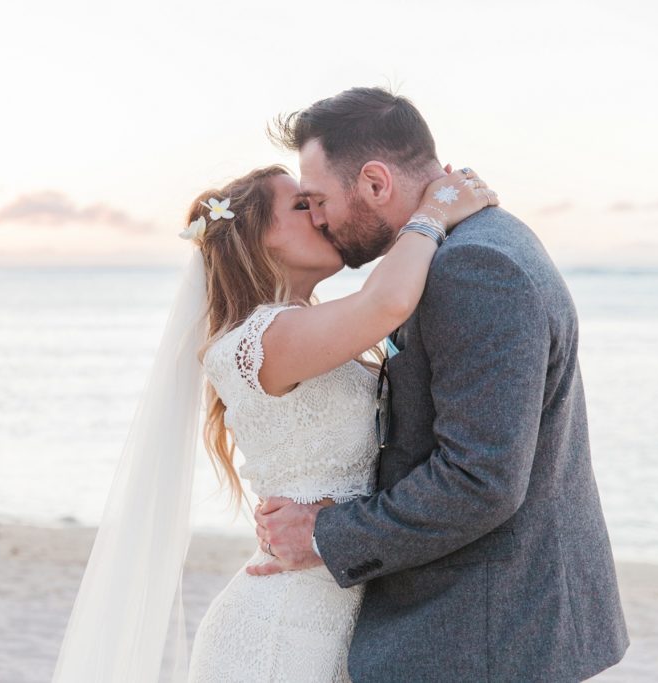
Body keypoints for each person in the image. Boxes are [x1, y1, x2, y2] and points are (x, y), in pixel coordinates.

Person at [52, 148, 494, 680]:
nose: (323, 214)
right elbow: (387, 303)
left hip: (334, 610)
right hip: (279, 632)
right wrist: (433, 212)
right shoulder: (255, 342)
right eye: (302, 207)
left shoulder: (303, 329)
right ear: (259, 238)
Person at [250, 86, 629, 681]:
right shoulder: (473, 244)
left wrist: (325, 534)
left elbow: (479, 479)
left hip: (479, 633)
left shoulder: (471, 267)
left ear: (375, 183)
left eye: (319, 199)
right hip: (494, 624)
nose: (318, 218)